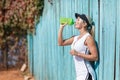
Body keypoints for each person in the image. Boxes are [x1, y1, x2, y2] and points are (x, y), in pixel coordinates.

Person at [58, 13, 98, 80]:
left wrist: (77, 53)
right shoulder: (75, 38)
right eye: (76, 19)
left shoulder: (88, 38)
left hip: (87, 74)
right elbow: (60, 43)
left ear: (84, 24)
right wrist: (61, 27)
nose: (76, 21)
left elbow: (95, 57)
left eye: (78, 20)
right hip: (80, 75)